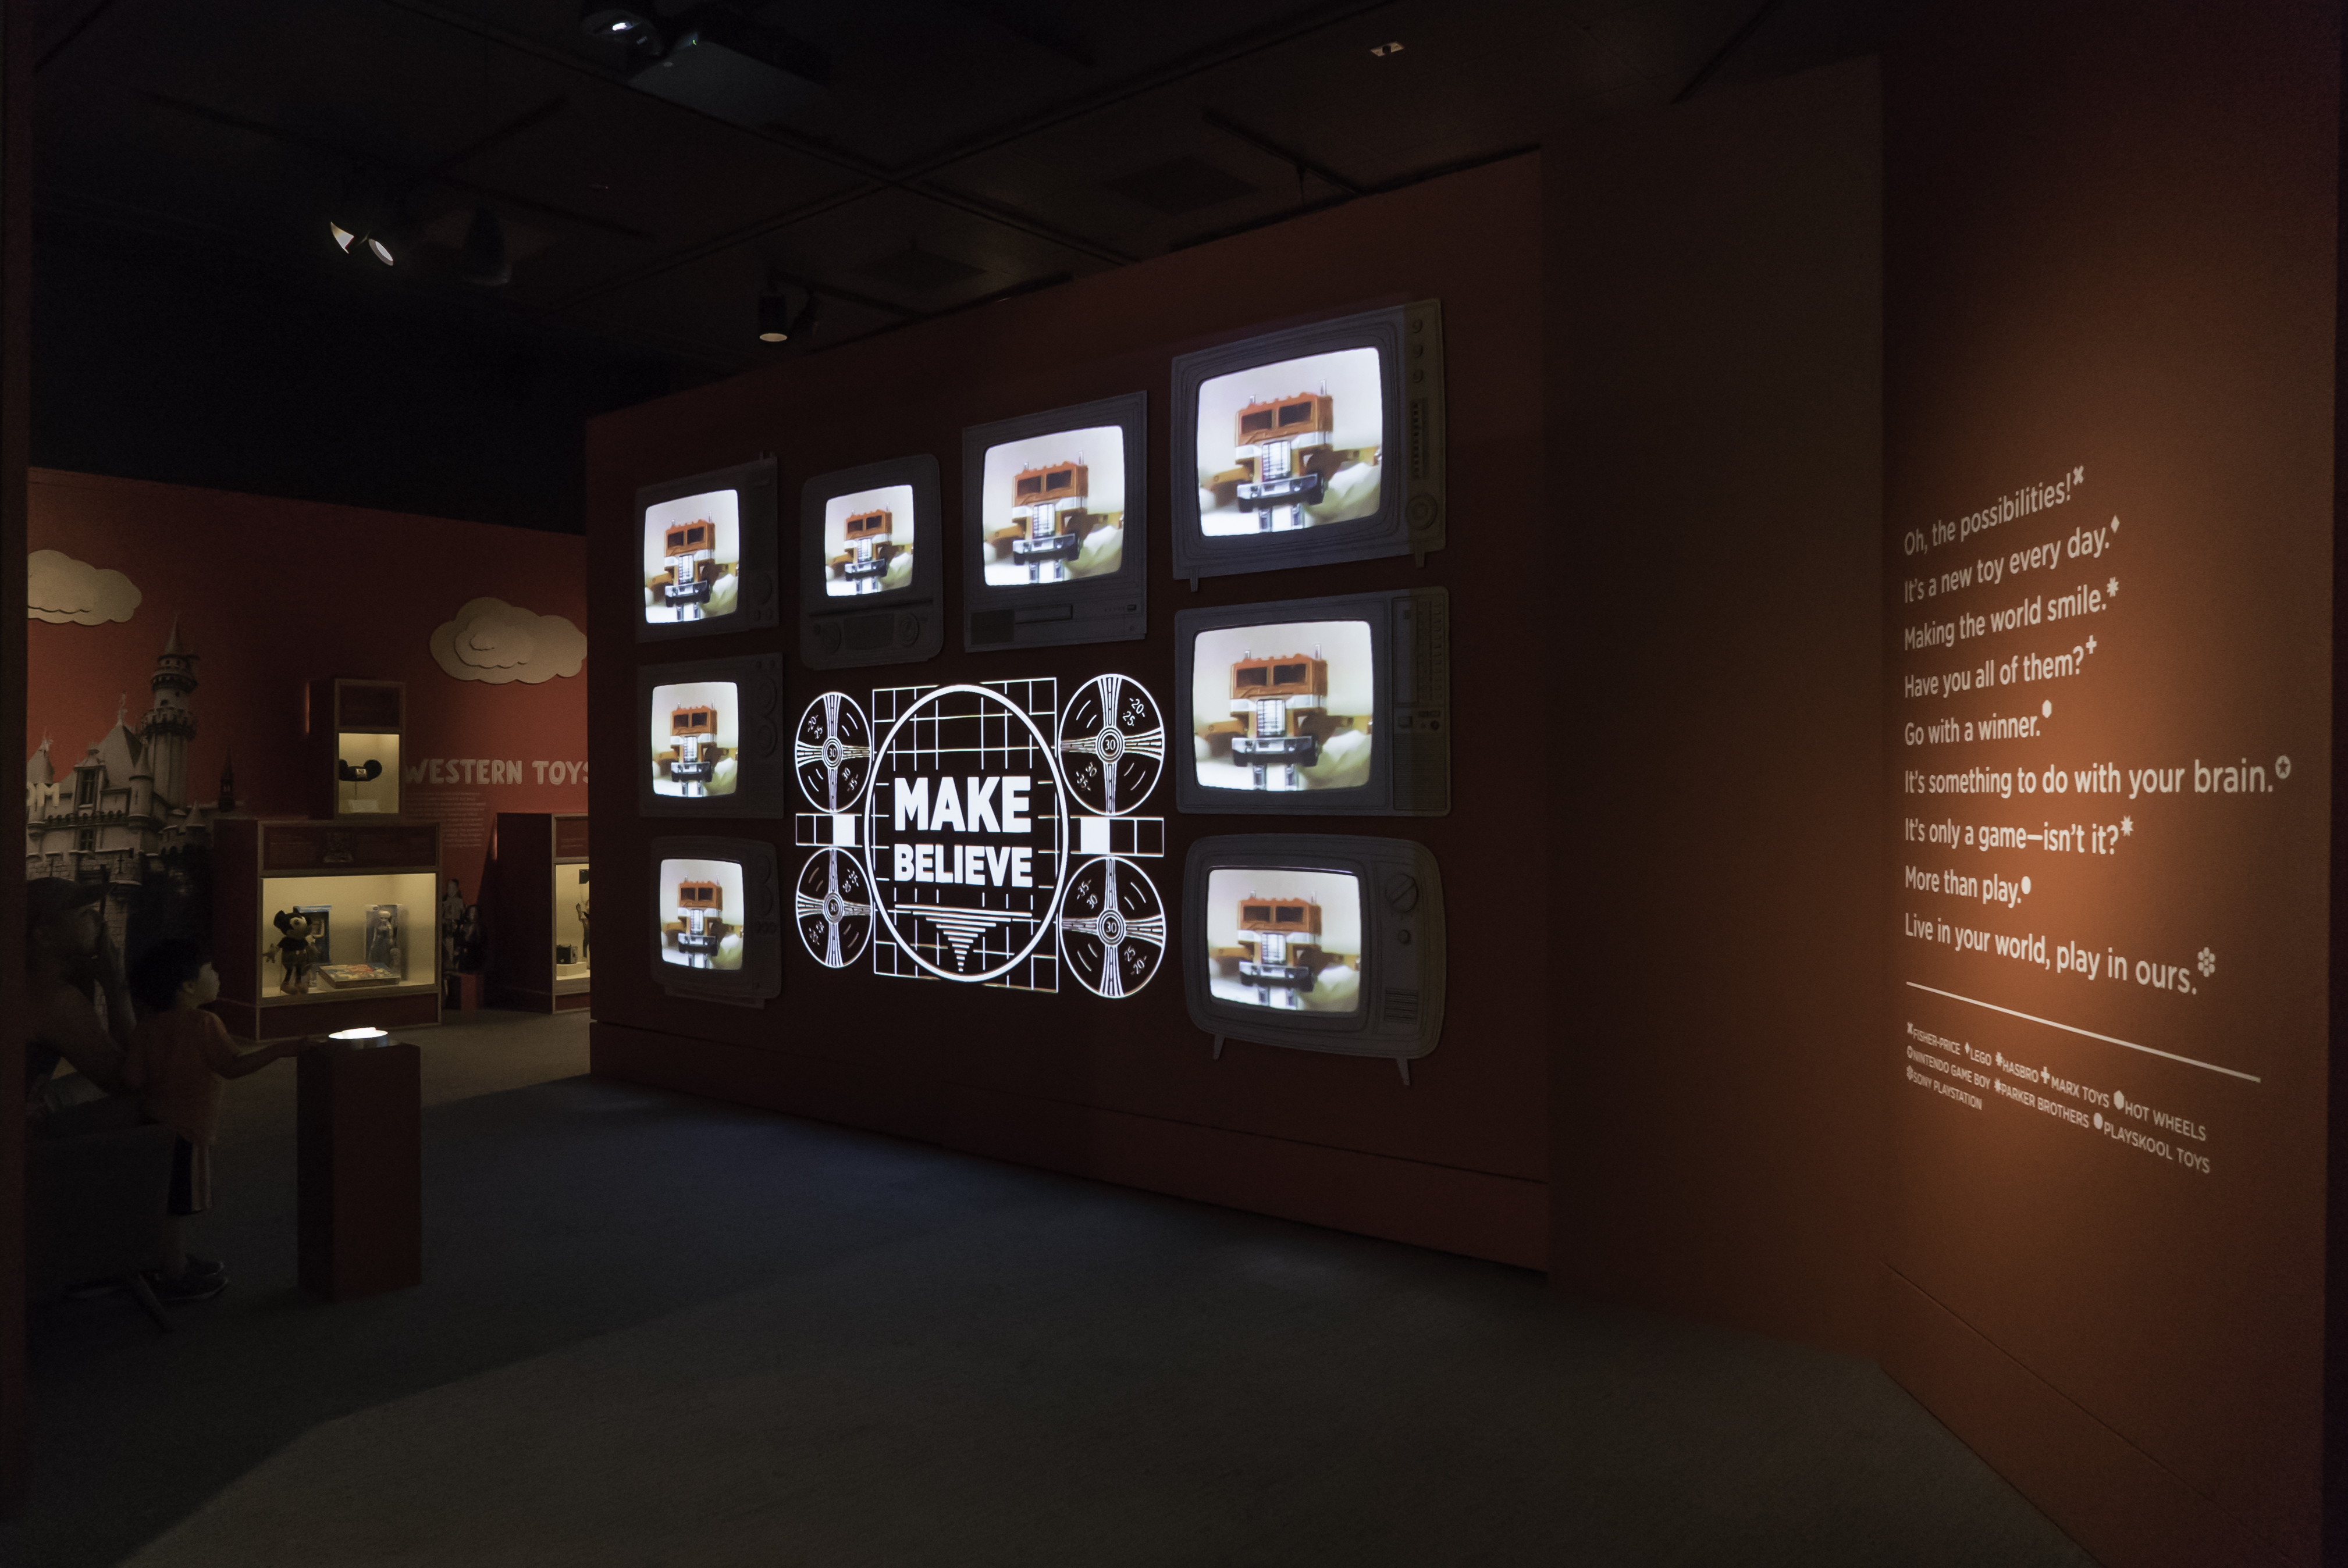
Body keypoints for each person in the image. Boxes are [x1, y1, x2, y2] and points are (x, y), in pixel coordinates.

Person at [122, 938, 313, 1302]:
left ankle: (167, 1260)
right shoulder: (205, 1022)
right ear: (187, 985)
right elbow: (232, 1066)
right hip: (188, 1130)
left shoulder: (147, 1027)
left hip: (152, 1127)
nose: (218, 975)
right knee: (177, 1207)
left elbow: (132, 1080)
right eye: (210, 970)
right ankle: (174, 1275)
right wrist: (281, 1050)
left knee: (162, 1198)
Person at [25, 878, 134, 1116]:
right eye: (85, 913)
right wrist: (116, 984)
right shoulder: (53, 998)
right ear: (44, 935)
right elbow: (132, 1080)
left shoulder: (27, 982)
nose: (100, 919)